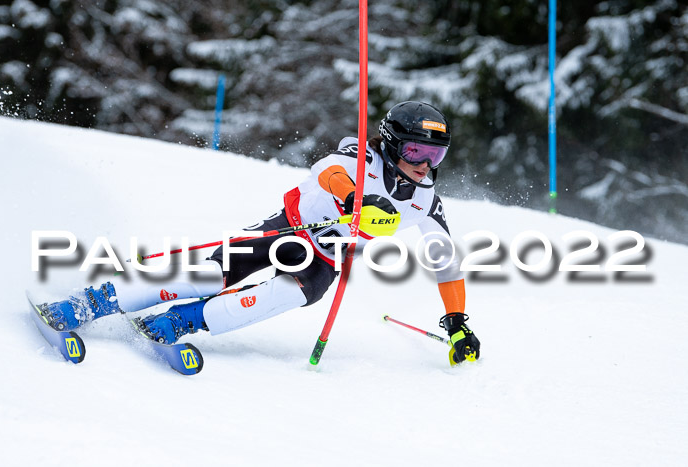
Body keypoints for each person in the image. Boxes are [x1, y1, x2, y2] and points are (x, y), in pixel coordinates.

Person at [41, 101, 480, 366]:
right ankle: (91, 302)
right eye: (416, 150)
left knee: (290, 294)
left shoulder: (426, 200)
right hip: (290, 227)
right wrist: (354, 201)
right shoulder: (361, 155)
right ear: (390, 143)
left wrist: (457, 323)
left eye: (435, 154)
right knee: (211, 274)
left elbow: (446, 261)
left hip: (326, 257)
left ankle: (180, 322)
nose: (425, 163)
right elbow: (326, 171)